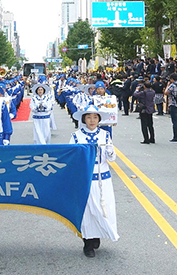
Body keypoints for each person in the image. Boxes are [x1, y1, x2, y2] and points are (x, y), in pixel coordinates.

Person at [69, 105, 119, 258]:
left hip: (103, 179)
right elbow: (71, 157)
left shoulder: (105, 135)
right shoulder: (77, 136)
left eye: (95, 117)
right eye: (89, 117)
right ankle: (88, 242)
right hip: (86, 180)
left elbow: (111, 158)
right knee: (88, 210)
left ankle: (97, 235)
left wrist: (110, 151)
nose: (92, 120)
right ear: (84, 119)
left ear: (99, 119)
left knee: (104, 209)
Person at [165, 73, 177, 143]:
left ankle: (175, 136)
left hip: (173, 104)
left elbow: (166, 92)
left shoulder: (172, 85)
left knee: (175, 121)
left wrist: (167, 85)